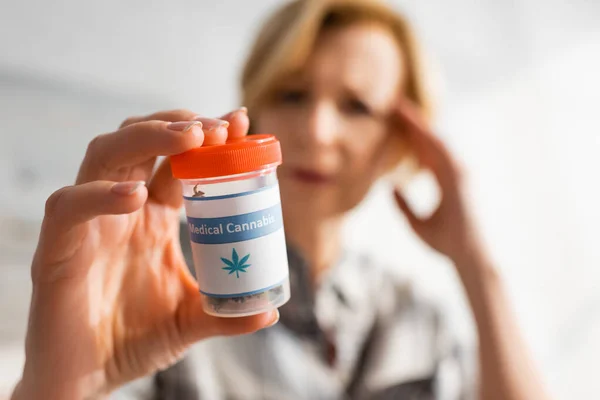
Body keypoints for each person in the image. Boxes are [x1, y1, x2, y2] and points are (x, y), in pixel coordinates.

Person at [11, 1, 552, 399]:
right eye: (292, 94)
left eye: (357, 107)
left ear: (396, 144)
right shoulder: (159, 295)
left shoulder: (420, 321)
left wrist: (478, 268)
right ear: (256, 111)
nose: (316, 131)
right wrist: (60, 384)